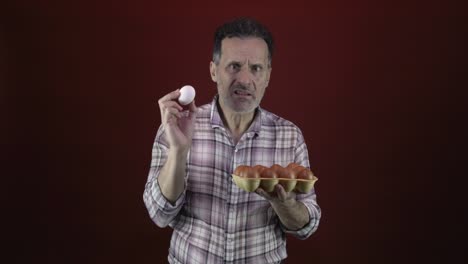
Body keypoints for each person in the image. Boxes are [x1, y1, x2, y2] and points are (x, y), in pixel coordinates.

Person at [143, 17, 321, 264]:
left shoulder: (289, 135)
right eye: (234, 66)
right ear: (214, 70)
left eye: (256, 68)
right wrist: (179, 151)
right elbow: (159, 214)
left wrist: (284, 204)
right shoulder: (178, 126)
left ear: (268, 75)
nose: (245, 80)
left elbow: (305, 226)